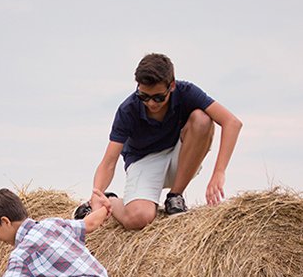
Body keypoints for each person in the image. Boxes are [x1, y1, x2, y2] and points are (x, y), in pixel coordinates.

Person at [76, 52, 242, 230]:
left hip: (180, 158)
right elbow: (109, 161)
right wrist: (96, 194)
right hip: (144, 161)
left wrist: (219, 173)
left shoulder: (187, 92)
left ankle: (175, 197)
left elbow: (232, 123)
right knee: (138, 219)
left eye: (158, 98)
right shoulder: (128, 109)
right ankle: (110, 200)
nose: (151, 103)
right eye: (144, 97)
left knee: (202, 119)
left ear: (171, 86)